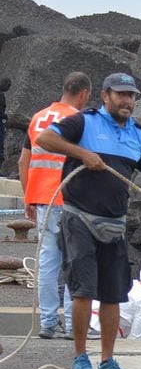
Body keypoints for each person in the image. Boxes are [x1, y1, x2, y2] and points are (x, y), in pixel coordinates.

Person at [35, 72, 141, 369]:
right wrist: (82, 153)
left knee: (113, 295)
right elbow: (45, 138)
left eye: (131, 95)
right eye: (120, 94)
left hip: (114, 223)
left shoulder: (139, 136)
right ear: (105, 96)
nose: (127, 100)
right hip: (79, 217)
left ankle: (107, 361)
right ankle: (79, 357)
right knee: (83, 291)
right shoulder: (85, 122)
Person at [18, 72, 92, 340]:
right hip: (70, 199)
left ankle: (48, 323)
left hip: (42, 200)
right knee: (75, 262)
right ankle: (74, 325)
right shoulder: (79, 121)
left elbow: (23, 162)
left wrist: (29, 197)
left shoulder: (38, 118)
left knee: (48, 263)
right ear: (83, 94)